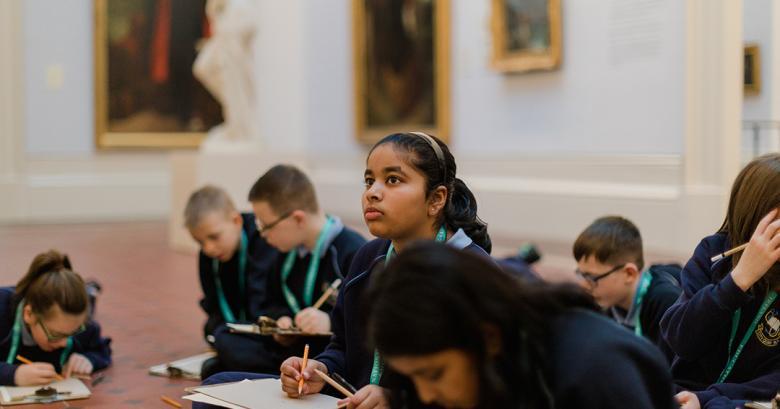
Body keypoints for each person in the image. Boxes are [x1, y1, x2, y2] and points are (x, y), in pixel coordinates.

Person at [279, 132, 491, 409]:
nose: (372, 192)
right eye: (369, 181)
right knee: (220, 383)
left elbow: (480, 387)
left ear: (436, 199)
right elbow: (342, 346)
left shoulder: (473, 274)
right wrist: (320, 370)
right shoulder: (367, 258)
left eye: (393, 180)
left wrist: (396, 399)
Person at [366, 242, 677, 409]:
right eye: (412, 378)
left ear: (488, 337)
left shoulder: (593, 369)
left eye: (434, 374)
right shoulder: (486, 368)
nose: (427, 395)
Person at [660, 153, 780, 408]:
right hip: (684, 393)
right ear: (759, 214)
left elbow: (774, 379)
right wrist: (738, 281)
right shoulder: (713, 253)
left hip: (745, 403)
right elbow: (682, 340)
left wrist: (705, 399)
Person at [184, 185, 278, 376]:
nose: (208, 248)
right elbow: (212, 300)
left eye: (214, 237)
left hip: (266, 328)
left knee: (226, 342)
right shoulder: (208, 256)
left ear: (236, 221)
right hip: (235, 328)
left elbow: (267, 298)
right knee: (214, 332)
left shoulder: (263, 239)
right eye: (200, 242)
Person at [573, 215, 681, 355]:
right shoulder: (608, 302)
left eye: (592, 277)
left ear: (629, 274)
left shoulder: (666, 303)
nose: (584, 285)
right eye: (581, 274)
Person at [0, 250, 111, 386]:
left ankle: (90, 294)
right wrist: (13, 374)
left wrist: (88, 359)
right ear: (29, 314)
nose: (64, 343)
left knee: (88, 307)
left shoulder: (80, 325)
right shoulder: (2, 311)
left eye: (72, 333)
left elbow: (102, 348)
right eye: (56, 335)